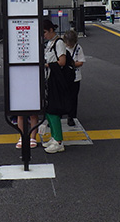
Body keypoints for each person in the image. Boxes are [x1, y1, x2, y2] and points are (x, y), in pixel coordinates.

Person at [42, 19, 69, 154]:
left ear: (51, 30)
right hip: (50, 79)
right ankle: (54, 137)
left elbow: (62, 61)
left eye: (45, 32)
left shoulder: (59, 43)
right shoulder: (50, 43)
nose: (44, 35)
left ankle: (59, 141)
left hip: (56, 80)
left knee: (53, 110)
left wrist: (47, 65)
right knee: (49, 109)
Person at [63, 29, 85, 127]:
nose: (69, 45)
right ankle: (59, 115)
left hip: (75, 77)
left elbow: (81, 62)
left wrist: (71, 64)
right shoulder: (61, 47)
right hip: (63, 77)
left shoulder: (78, 48)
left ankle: (71, 117)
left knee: (73, 98)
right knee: (61, 97)